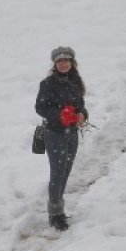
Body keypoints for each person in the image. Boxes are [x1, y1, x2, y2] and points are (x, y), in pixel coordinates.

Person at [34, 45, 88, 231]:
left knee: (66, 170)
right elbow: (40, 108)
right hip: (55, 134)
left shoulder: (75, 81)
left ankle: (59, 209)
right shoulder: (48, 84)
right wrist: (60, 115)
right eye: (60, 61)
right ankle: (55, 214)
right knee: (57, 172)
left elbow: (80, 104)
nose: (64, 64)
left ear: (72, 62)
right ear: (54, 64)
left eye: (67, 60)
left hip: (72, 133)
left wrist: (82, 114)